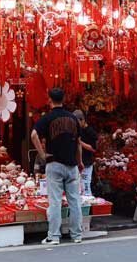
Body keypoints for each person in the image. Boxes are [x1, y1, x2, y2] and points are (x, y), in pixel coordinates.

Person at [31, 87, 83, 245]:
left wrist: (41, 154)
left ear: (49, 100)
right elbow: (79, 144)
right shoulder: (73, 118)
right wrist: (79, 161)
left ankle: (54, 236)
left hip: (54, 163)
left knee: (55, 201)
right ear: (64, 99)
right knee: (75, 201)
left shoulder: (47, 118)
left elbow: (34, 135)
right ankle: (77, 235)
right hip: (72, 165)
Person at [74, 110, 97, 197]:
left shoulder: (91, 132)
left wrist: (80, 142)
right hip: (77, 163)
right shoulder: (76, 130)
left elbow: (93, 149)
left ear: (82, 120)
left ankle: (88, 206)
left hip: (87, 163)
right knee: (77, 186)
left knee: (86, 185)